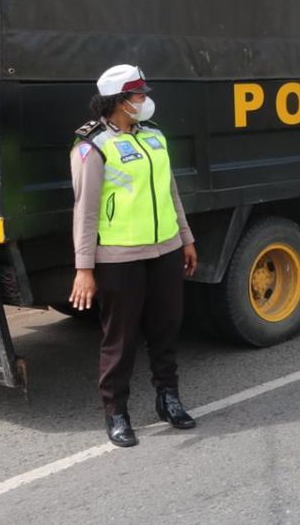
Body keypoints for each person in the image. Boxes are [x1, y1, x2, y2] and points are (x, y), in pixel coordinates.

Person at [67, 65, 199, 447]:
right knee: (120, 339)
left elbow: (170, 192)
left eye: (143, 93)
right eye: (138, 95)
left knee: (167, 327)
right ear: (119, 102)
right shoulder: (92, 146)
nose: (145, 100)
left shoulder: (155, 137)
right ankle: (116, 413)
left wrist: (185, 238)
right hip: (120, 257)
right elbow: (85, 211)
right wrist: (84, 268)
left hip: (167, 249)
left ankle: (168, 398)